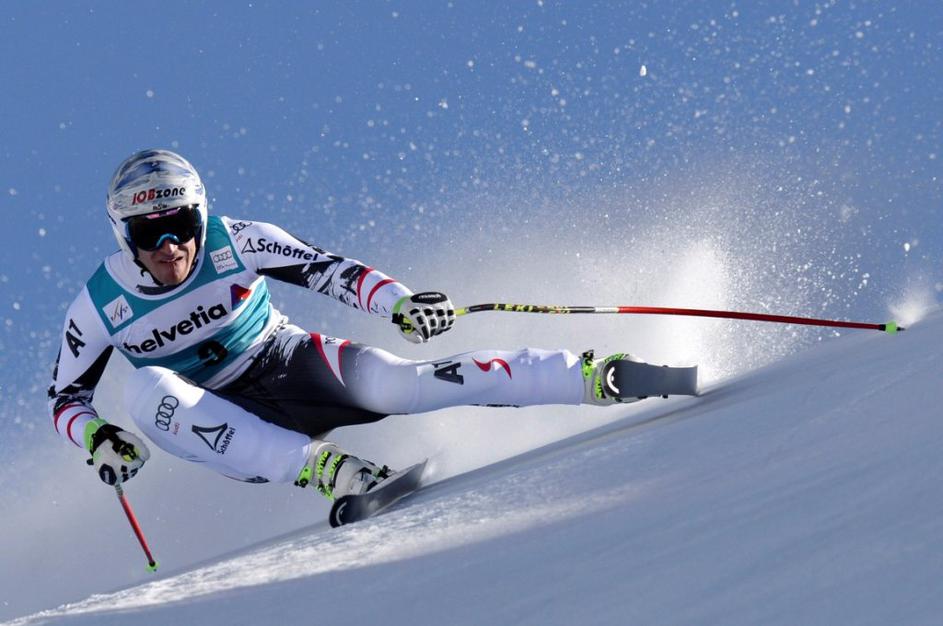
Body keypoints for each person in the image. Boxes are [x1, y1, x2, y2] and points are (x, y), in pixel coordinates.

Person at [48, 149, 650, 503]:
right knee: (145, 387)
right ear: (122, 235)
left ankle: (591, 375)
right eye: (148, 233)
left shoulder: (239, 239)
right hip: (225, 421)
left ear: (201, 214)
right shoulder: (99, 305)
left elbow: (330, 270)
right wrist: (98, 437)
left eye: (180, 224)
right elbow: (66, 400)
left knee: (404, 385)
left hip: (286, 362)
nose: (169, 246)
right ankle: (330, 471)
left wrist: (400, 303)